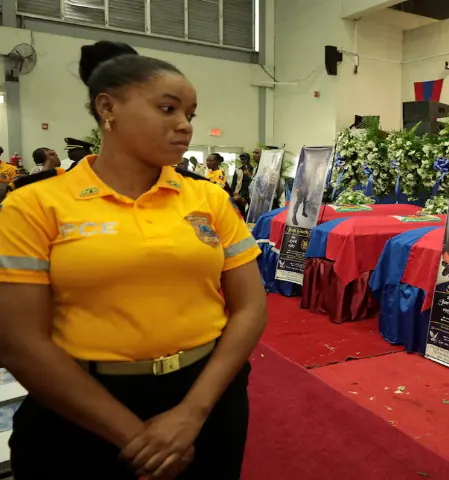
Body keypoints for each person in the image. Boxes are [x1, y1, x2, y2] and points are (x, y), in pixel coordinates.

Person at [0, 40, 266, 480]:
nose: (184, 126)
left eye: (190, 115)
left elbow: (251, 308)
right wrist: (133, 436)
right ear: (108, 108)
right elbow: (18, 341)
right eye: (168, 110)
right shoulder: (34, 205)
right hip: (78, 404)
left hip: (206, 393)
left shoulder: (209, 198)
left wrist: (191, 415)